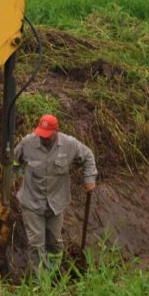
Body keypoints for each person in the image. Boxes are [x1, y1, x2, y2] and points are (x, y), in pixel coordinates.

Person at [12, 113, 98, 276]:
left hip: (56, 202)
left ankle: (53, 272)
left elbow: (88, 156)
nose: (43, 138)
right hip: (31, 202)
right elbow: (14, 162)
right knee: (36, 243)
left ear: (56, 131)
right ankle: (40, 282)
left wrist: (90, 178)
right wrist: (12, 178)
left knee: (54, 243)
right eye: (41, 134)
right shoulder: (27, 143)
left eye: (47, 135)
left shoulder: (69, 144)